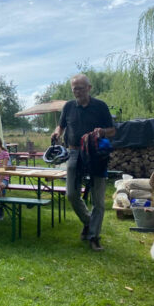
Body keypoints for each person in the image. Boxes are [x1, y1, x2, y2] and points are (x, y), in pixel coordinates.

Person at [51, 74, 116, 252]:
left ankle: (94, 236)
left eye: (80, 88)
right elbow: (61, 125)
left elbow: (113, 131)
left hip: (96, 154)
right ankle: (89, 222)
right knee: (71, 193)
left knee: (99, 200)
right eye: (74, 89)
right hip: (74, 152)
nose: (77, 92)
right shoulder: (69, 106)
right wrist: (57, 132)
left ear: (89, 87)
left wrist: (103, 131)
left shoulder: (100, 106)